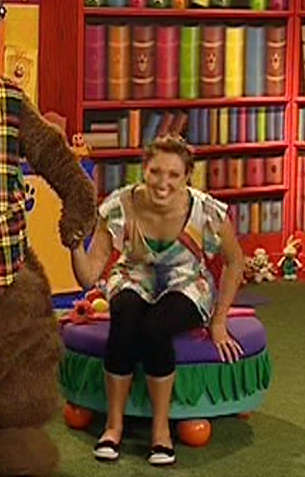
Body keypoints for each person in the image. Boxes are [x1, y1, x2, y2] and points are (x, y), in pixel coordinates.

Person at [70, 135, 245, 466]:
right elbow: (89, 276)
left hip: (186, 281)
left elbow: (236, 262)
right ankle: (113, 426)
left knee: (155, 327)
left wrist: (219, 320)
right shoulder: (121, 205)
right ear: (144, 170)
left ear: (187, 176)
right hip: (134, 277)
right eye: (155, 172)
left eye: (174, 174)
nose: (163, 182)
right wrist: (75, 245)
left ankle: (160, 430)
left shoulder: (207, 211)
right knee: (125, 315)